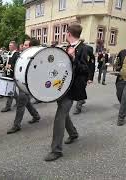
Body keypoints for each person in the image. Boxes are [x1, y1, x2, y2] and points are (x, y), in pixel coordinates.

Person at [44, 23, 88, 161]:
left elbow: (86, 70)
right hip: (61, 86)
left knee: (60, 116)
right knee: (63, 113)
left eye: (66, 32)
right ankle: (73, 134)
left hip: (72, 89)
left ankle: (56, 150)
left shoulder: (85, 49)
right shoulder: (66, 47)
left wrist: (74, 58)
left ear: (68, 33)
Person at [7, 38, 41, 134]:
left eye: (26, 45)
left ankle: (16, 125)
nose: (23, 46)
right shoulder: (24, 56)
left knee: (21, 103)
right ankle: (36, 116)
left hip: (28, 85)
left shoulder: (34, 57)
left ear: (31, 47)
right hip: (22, 83)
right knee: (26, 102)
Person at [73, 39, 93, 115]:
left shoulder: (87, 49)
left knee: (80, 89)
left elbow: (91, 64)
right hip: (75, 73)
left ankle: (78, 106)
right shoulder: (73, 48)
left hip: (83, 74)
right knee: (79, 89)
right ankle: (82, 99)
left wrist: (90, 77)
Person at [1, 41, 19, 113]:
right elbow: (7, 61)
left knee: (10, 90)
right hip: (8, 73)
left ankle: (8, 106)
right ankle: (18, 101)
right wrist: (4, 65)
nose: (9, 46)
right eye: (9, 45)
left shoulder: (16, 54)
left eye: (11, 45)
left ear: (14, 46)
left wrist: (11, 66)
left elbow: (17, 64)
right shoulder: (9, 53)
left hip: (13, 74)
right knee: (12, 90)